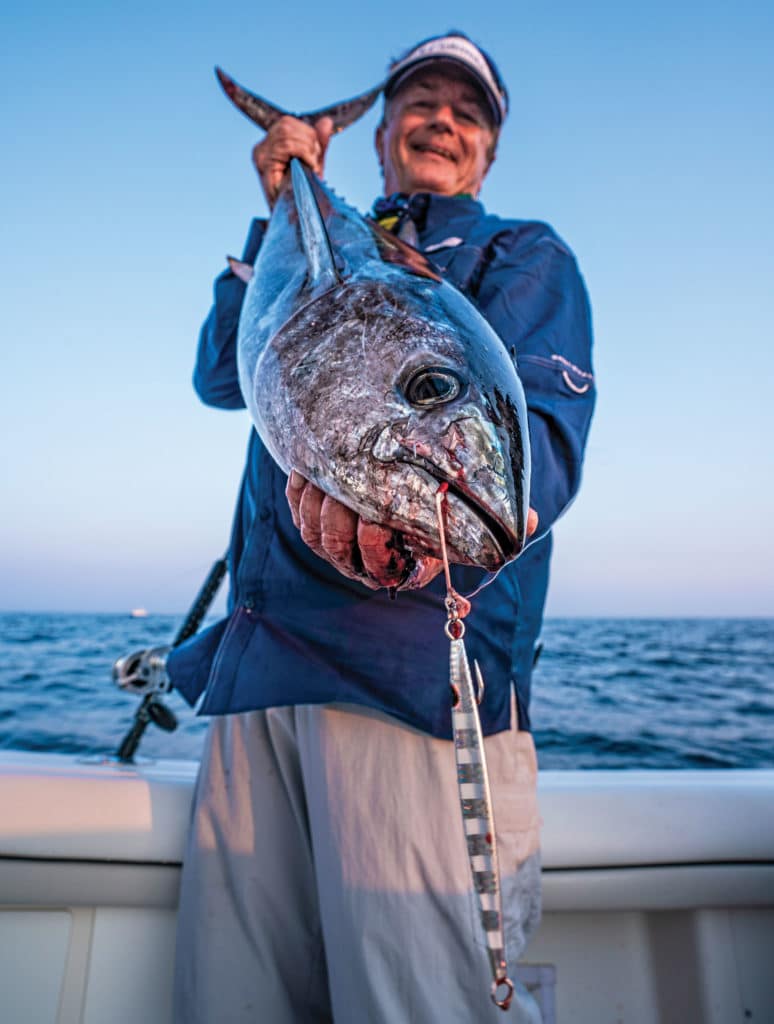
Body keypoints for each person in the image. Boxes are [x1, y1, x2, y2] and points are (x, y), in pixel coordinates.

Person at [170, 32, 595, 1024]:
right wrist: (285, 201)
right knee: (231, 999)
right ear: (385, 134)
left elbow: (541, 447)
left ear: (487, 147)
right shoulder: (316, 229)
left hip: (411, 687)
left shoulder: (519, 256)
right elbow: (221, 374)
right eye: (422, 102)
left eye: (467, 110)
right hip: (257, 676)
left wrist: (450, 526)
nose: (442, 120)